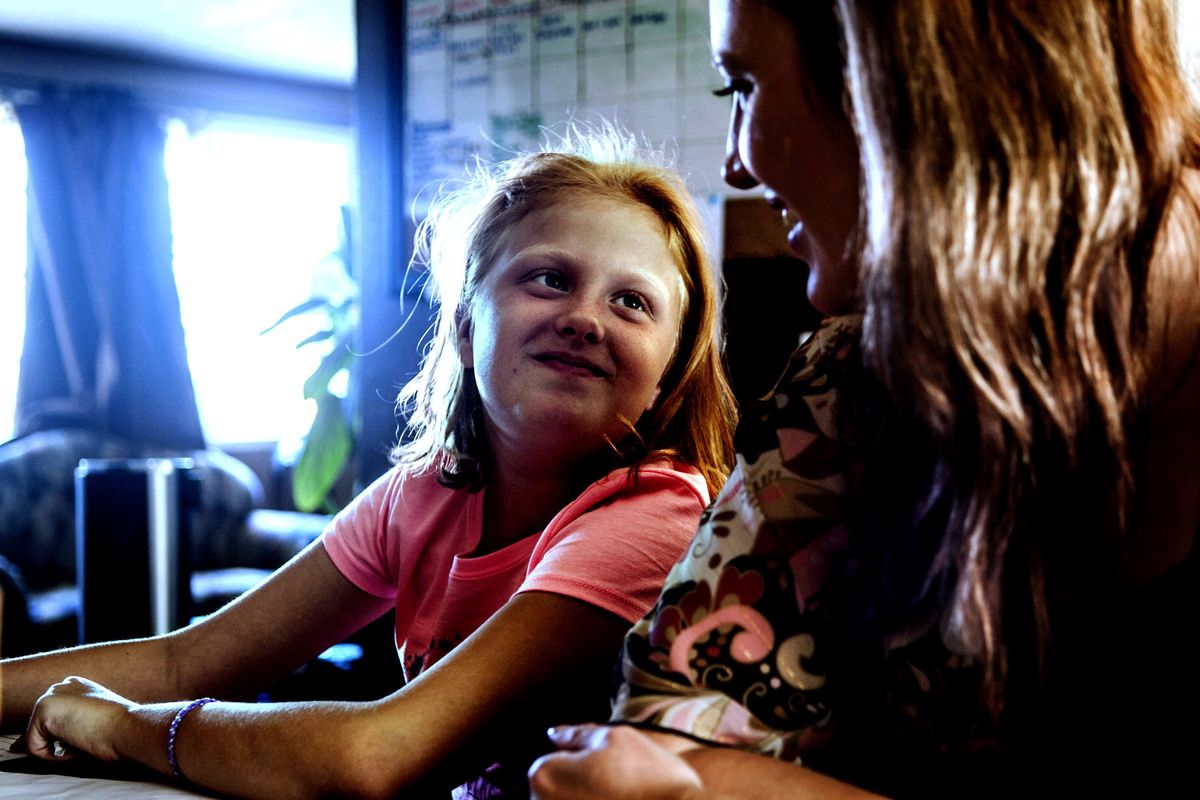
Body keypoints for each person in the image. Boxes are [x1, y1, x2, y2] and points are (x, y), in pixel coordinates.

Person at [529, 1, 1200, 798]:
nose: (736, 166)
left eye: (741, 85)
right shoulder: (853, 376)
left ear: (897, 79)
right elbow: (654, 746)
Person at [1, 129, 737, 798]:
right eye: (548, 278)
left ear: (670, 374)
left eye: (633, 303)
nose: (584, 318)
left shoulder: (657, 515)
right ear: (464, 319)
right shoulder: (425, 492)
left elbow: (378, 755)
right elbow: (185, 664)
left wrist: (122, 725)